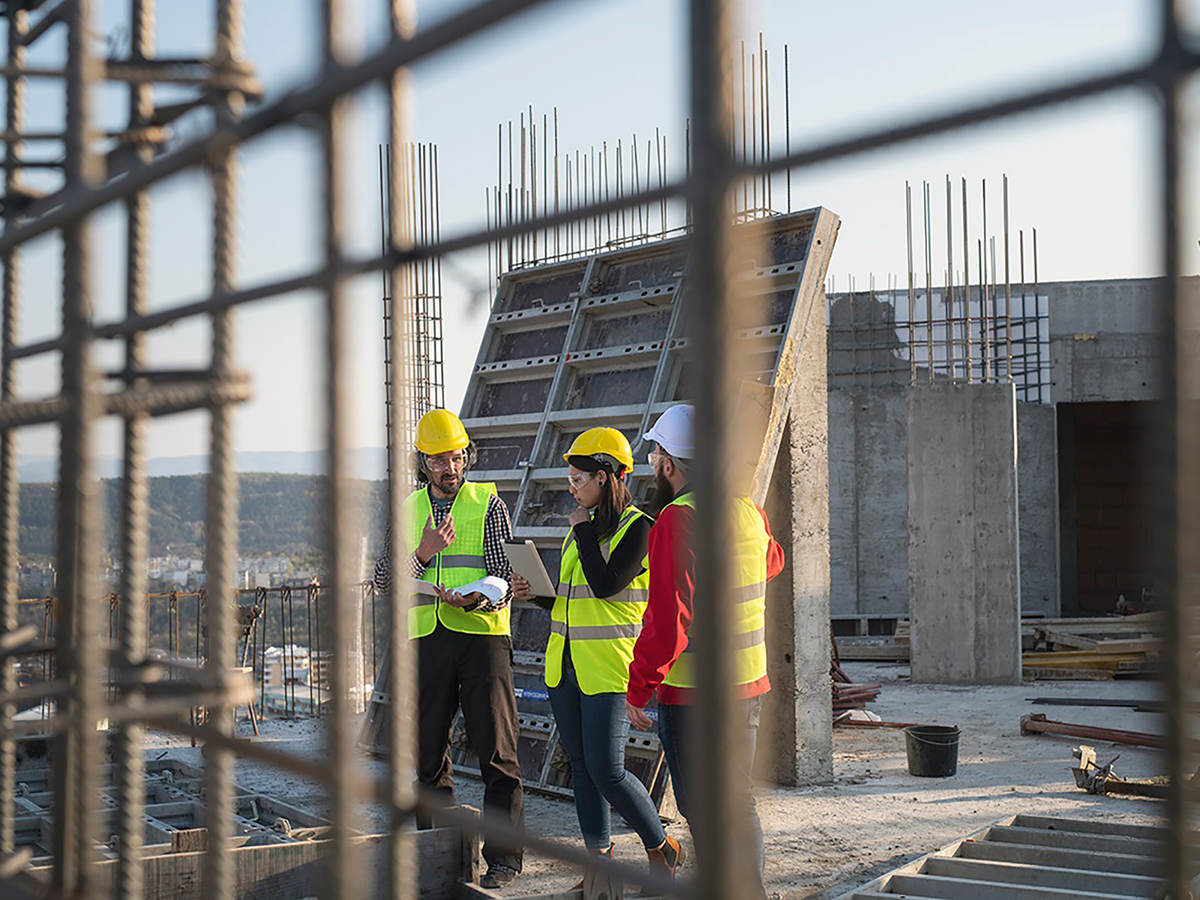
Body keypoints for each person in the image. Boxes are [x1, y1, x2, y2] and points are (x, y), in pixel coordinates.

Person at [624, 404, 784, 899]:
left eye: (655, 454)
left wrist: (638, 687)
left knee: (704, 810)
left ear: (668, 465)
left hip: (694, 695)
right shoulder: (747, 510)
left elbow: (667, 622)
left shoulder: (676, 520)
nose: (652, 462)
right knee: (739, 803)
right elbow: (771, 561)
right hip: (748, 684)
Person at [511, 427, 685, 881]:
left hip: (610, 667)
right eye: (568, 480)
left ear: (606, 477)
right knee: (583, 769)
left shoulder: (640, 528)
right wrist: (537, 595)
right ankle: (600, 861)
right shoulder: (581, 530)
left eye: (578, 480)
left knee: (608, 770)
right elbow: (576, 597)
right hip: (565, 665)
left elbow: (608, 587)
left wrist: (584, 531)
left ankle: (660, 845)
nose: (571, 488)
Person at [373, 408, 524, 889]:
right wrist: (423, 553)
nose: (451, 468)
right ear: (423, 463)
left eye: (457, 457)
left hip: (482, 639)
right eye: (439, 460)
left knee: (497, 754)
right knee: (426, 757)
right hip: (427, 641)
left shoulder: (488, 504)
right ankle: (437, 853)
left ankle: (503, 859)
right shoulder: (409, 509)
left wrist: (482, 595)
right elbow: (382, 580)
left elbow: (504, 571)